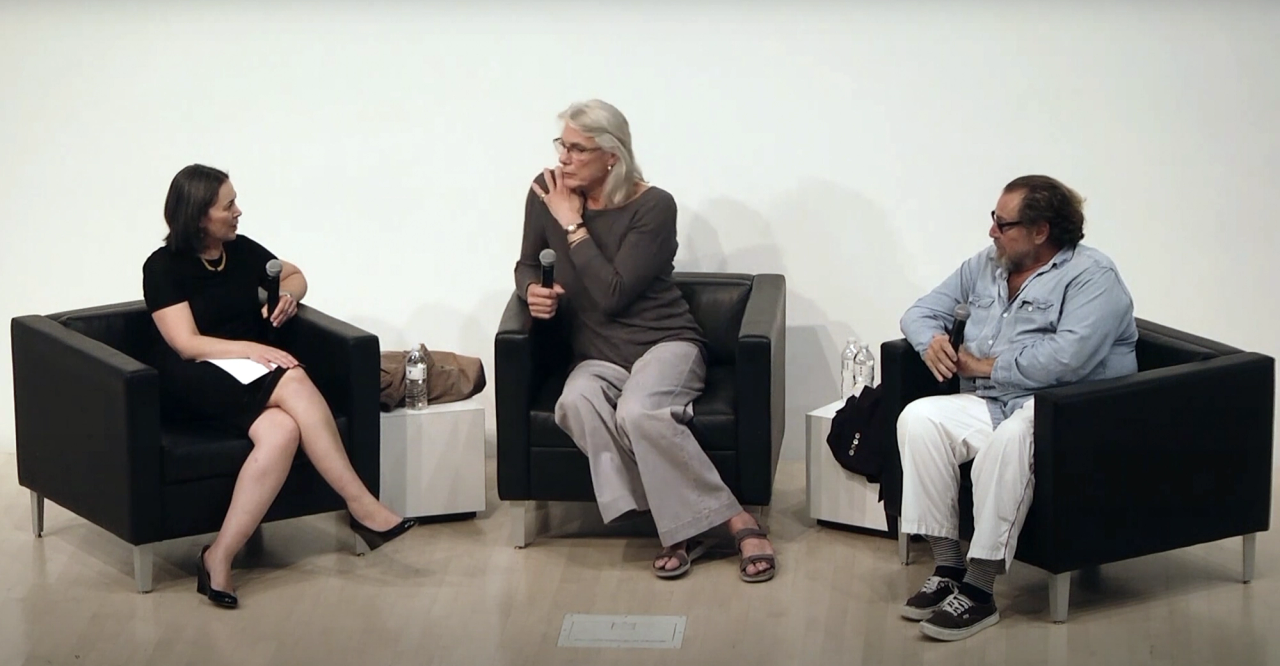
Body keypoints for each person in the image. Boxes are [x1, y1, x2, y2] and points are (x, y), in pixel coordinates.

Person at [513, 100, 777, 582]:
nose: (564, 158)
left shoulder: (654, 206)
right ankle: (682, 518)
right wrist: (531, 291)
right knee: (574, 403)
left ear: (611, 155)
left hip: (665, 343)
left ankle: (729, 521)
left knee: (639, 412)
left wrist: (573, 225)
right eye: (561, 145)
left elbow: (613, 294)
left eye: (577, 149)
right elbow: (528, 260)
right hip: (596, 354)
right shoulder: (545, 192)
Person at [142, 164, 415, 608]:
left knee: (282, 432)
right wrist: (250, 348)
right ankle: (361, 505)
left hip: (246, 372)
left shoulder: (240, 251)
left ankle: (218, 557)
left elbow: (293, 274)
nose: (238, 212)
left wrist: (290, 295)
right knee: (294, 377)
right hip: (194, 380)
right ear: (197, 216)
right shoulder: (162, 268)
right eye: (228, 205)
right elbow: (186, 344)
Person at [896, 175, 1137, 640]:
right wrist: (933, 345)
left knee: (1009, 442)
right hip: (998, 402)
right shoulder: (987, 264)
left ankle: (981, 591)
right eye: (994, 219)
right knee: (919, 419)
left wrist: (983, 367)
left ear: (1041, 231)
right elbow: (919, 312)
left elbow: (1067, 361)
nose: (992, 232)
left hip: (1070, 410)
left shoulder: (1093, 277)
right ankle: (948, 565)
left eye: (1003, 224)